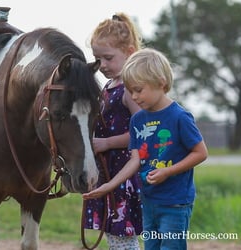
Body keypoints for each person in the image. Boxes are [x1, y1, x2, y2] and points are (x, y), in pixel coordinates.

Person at [83, 48, 208, 250]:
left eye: (138, 90)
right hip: (148, 201)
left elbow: (201, 153)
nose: (134, 96)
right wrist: (110, 185)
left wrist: (168, 171)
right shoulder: (138, 120)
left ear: (161, 82)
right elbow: (135, 160)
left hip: (174, 203)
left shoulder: (180, 117)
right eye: (130, 91)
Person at [82, 12, 143, 250]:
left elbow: (144, 134)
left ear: (129, 52)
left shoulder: (131, 88)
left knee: (123, 238)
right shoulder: (108, 86)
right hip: (109, 173)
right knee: (115, 237)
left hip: (124, 174)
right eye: (98, 58)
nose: (102, 65)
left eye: (108, 58)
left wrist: (107, 144)